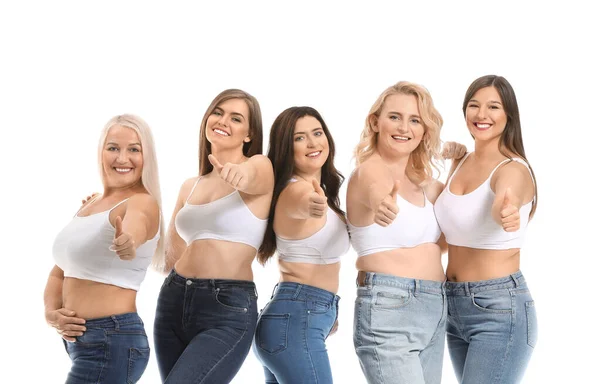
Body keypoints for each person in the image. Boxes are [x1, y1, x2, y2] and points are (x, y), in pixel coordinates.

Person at [154, 89, 274, 383]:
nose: (223, 121)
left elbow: (253, 177)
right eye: (218, 112)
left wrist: (238, 175)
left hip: (227, 309)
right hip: (173, 300)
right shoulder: (190, 185)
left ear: (249, 134)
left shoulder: (258, 165)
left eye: (236, 118)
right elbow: (167, 258)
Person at [434, 75, 538, 384]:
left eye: (493, 107)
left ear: (509, 116)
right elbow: (444, 234)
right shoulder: (463, 161)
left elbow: (507, 195)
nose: (482, 115)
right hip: (452, 306)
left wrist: (507, 209)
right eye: (474, 106)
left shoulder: (513, 168)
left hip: (498, 309)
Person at [44, 114, 163, 383]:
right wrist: (52, 313)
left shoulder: (142, 202)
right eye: (113, 148)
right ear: (101, 151)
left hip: (112, 339)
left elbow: (136, 226)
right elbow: (59, 273)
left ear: (147, 157)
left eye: (134, 149)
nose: (122, 158)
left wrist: (128, 242)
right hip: (83, 343)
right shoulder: (91, 204)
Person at [347, 81, 452, 384]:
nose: (404, 127)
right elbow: (375, 187)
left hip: (435, 307)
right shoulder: (369, 170)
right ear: (375, 122)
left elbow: (455, 224)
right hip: (390, 308)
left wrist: (459, 164)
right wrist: (381, 202)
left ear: (424, 131)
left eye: (415, 119)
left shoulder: (425, 183)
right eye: (394, 116)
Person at [253, 106, 349, 384]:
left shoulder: (323, 192)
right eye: (299, 138)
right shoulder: (296, 190)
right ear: (286, 148)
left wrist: (326, 314)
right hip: (297, 319)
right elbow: (300, 202)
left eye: (317, 133)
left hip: (297, 317)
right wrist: (311, 204)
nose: (312, 143)